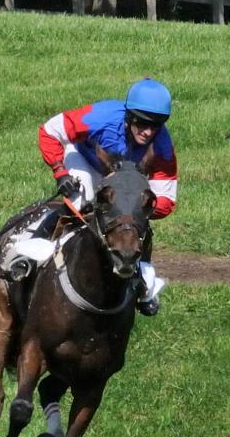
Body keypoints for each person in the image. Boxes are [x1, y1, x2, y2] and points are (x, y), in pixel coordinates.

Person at [11, 77, 179, 316]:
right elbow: (49, 131)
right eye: (142, 124)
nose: (148, 132)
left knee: (135, 219)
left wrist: (137, 207)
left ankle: (144, 281)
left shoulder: (162, 144)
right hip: (86, 162)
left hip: (126, 181)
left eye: (156, 126)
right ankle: (30, 259)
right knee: (83, 198)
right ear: (129, 116)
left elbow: (166, 200)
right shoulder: (100, 117)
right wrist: (60, 173)